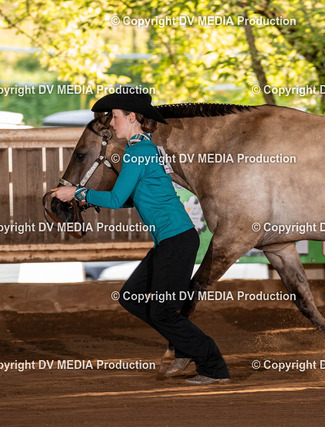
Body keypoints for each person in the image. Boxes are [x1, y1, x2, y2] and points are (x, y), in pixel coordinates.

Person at [52, 91, 230, 385]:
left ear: (132, 117)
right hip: (171, 240)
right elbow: (133, 197)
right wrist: (85, 199)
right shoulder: (144, 149)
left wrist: (77, 192)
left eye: (116, 117)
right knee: (131, 297)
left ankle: (212, 365)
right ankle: (187, 346)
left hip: (176, 240)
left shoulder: (137, 152)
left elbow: (116, 198)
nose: (113, 123)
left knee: (163, 313)